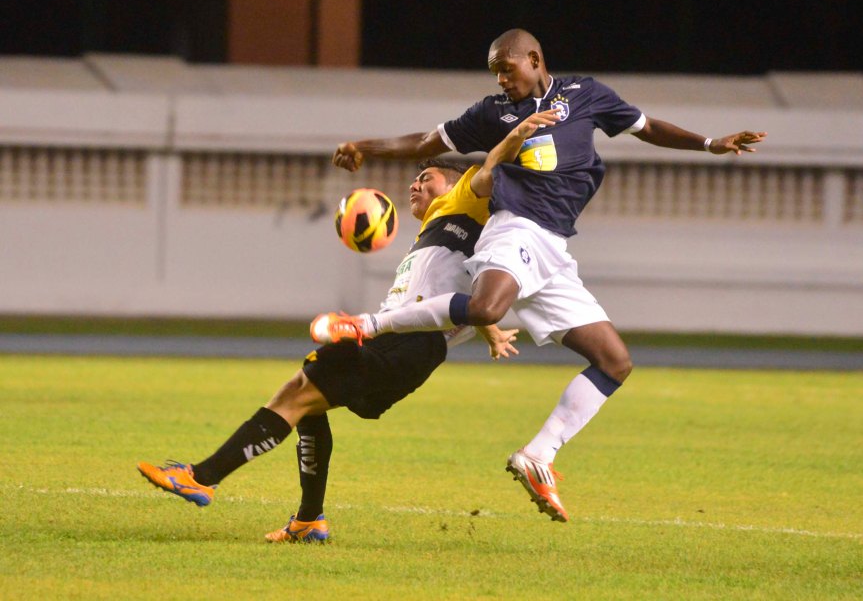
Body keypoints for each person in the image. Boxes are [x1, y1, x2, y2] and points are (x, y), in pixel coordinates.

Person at [317, 28, 767, 523]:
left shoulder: (587, 95)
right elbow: (427, 140)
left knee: (614, 361)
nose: (501, 79)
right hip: (515, 229)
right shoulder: (494, 114)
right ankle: (369, 325)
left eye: (506, 69)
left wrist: (710, 144)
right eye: (495, 72)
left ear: (534, 59)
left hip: (554, 248)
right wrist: (364, 146)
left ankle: (539, 455)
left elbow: (646, 127)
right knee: (486, 308)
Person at [135, 112, 558, 541]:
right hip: (404, 347)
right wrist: (489, 329)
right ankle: (308, 520)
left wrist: (518, 134)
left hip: (404, 346)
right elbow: (460, 289)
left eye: (426, 177)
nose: (414, 184)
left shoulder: (467, 198)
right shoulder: (445, 229)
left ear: (455, 181)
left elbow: (489, 170)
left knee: (296, 394)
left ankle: (201, 477)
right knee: (307, 405)